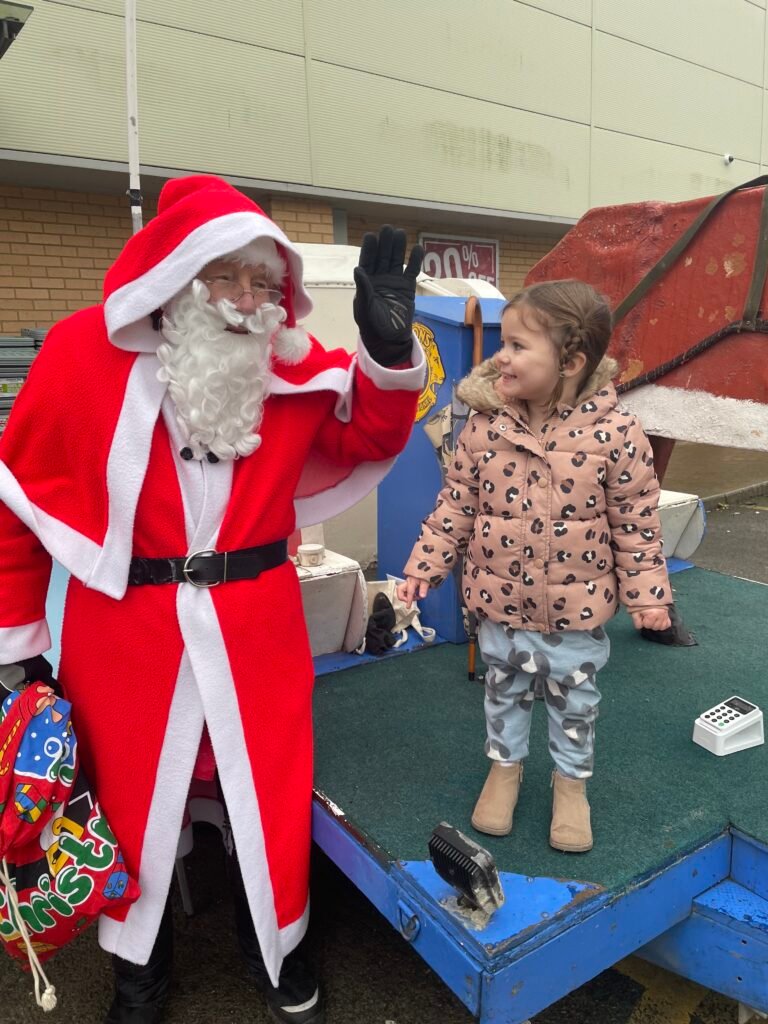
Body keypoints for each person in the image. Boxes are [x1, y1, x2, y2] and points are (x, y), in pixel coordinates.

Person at [0, 174, 425, 1023]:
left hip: (254, 625)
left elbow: (371, 432)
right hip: (125, 636)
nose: (245, 300)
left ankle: (278, 948)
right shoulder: (83, 353)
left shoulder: (291, 368)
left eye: (264, 284)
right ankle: (138, 979)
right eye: (225, 277)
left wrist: (386, 352)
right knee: (126, 805)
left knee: (259, 793)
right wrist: (17, 645)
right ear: (179, 278)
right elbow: (19, 503)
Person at [397, 280, 670, 853]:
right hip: (501, 602)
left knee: (575, 701)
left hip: (575, 609)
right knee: (504, 688)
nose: (502, 355)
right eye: (503, 341)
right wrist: (426, 564)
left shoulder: (616, 433)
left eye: (519, 346)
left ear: (570, 361)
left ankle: (571, 785)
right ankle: (505, 769)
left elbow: (636, 522)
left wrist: (648, 596)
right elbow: (456, 504)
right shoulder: (484, 424)